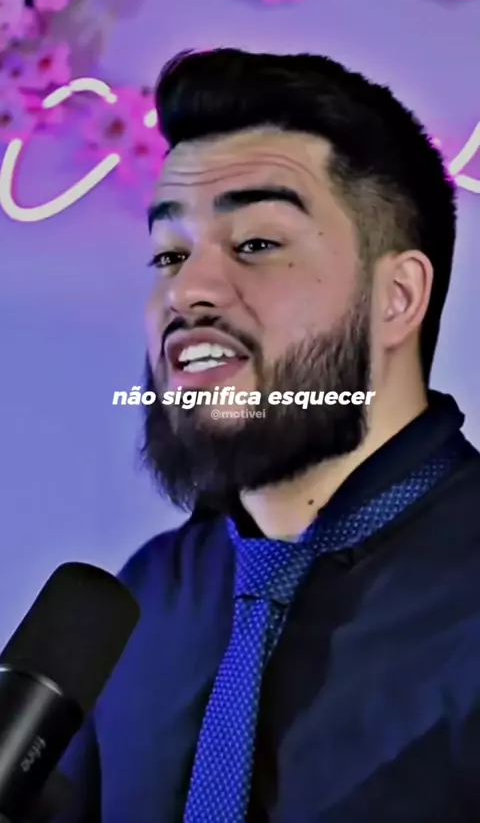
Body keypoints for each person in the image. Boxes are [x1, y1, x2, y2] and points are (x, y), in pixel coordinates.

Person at [57, 48, 480, 823]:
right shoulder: (145, 597)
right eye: (169, 254)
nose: (187, 290)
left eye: (255, 244)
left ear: (397, 297)